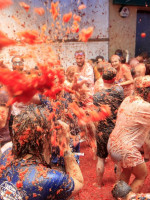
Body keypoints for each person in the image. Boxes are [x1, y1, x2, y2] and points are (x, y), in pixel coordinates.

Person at [0, 105, 84, 200]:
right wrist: (65, 146)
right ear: (44, 139)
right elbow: (78, 182)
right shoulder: (49, 178)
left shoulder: (5, 154)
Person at [107, 76, 150, 193]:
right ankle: (128, 197)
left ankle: (119, 195)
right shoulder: (145, 106)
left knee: (127, 170)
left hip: (112, 144)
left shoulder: (127, 99)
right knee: (142, 175)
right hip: (125, 149)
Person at [93, 67, 124, 187]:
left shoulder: (97, 95)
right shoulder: (119, 90)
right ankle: (117, 183)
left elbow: (95, 113)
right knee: (118, 160)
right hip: (116, 129)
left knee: (101, 158)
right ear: (114, 78)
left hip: (101, 130)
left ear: (102, 78)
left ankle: (99, 183)